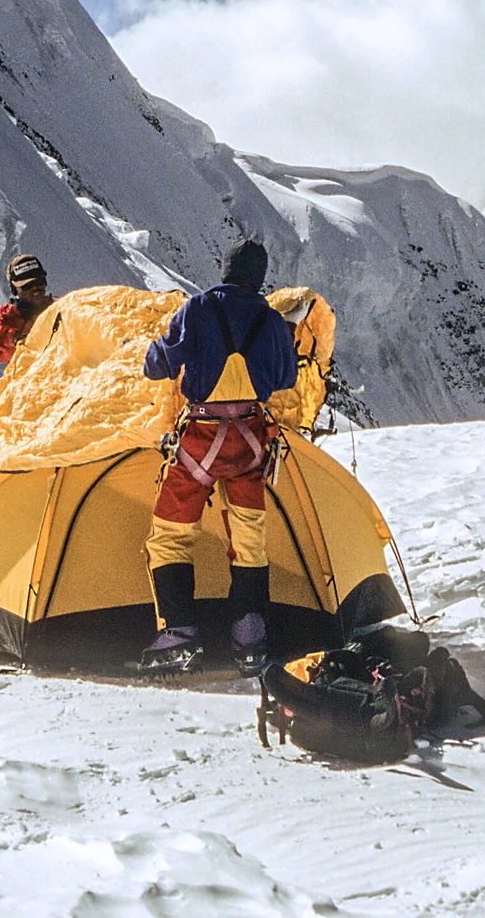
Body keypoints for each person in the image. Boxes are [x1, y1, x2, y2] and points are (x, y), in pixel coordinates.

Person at [138, 239, 298, 676]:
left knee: (170, 532)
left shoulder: (199, 308)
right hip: (249, 438)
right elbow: (286, 376)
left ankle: (179, 633)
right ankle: (249, 638)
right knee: (249, 536)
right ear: (260, 277)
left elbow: (157, 364)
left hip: (199, 437)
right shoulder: (271, 320)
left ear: (225, 269)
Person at [0, 254, 53, 365]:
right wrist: (13, 337)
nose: (35, 289)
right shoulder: (10, 320)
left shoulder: (61, 308)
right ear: (15, 290)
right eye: (27, 286)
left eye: (39, 282)